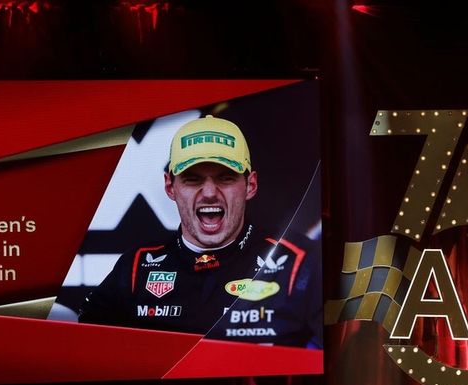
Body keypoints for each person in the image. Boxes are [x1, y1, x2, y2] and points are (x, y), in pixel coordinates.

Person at [77, 114, 322, 348]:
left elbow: (342, 356)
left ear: (251, 185)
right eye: (193, 179)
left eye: (225, 178)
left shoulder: (298, 263)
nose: (209, 192)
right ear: (170, 187)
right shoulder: (135, 270)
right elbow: (87, 357)